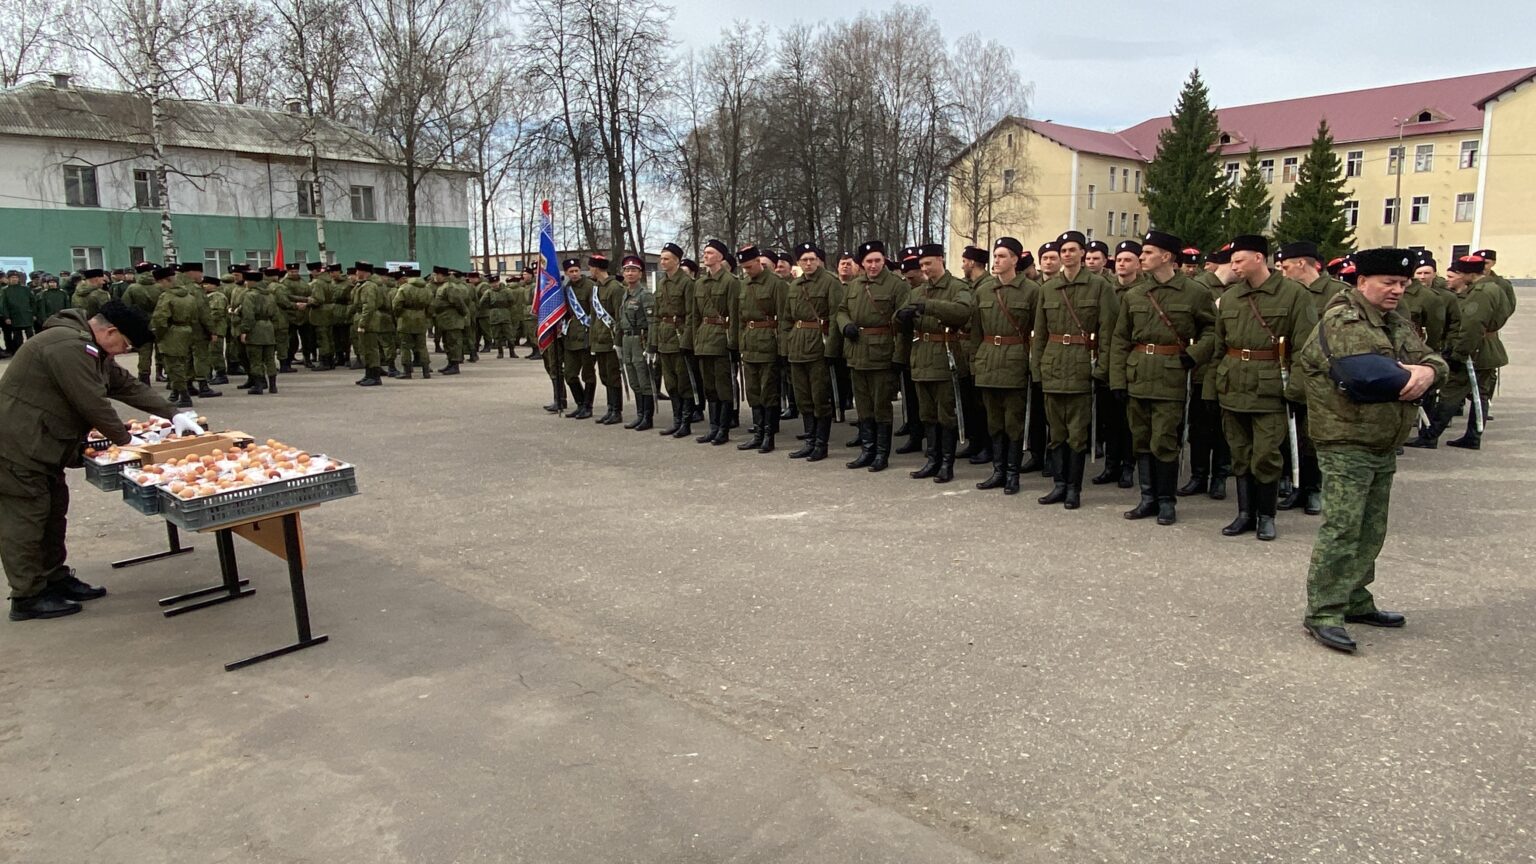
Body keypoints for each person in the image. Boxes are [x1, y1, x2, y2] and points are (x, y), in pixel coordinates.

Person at [1289, 248, 1446, 653]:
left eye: (1403, 284)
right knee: (1343, 528)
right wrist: (1412, 373)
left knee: (1371, 528)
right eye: (1389, 283)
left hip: (1381, 440)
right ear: (1362, 282)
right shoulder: (1345, 318)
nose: (1397, 291)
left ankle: (1356, 598)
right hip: (1346, 439)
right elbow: (1370, 375)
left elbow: (1434, 361)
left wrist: (1426, 370)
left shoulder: (1393, 321)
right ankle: (1323, 610)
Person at [0, 301, 199, 620]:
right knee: (26, 519)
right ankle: (27, 596)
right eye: (126, 345)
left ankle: (54, 579)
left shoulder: (89, 347)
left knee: (51, 513)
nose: (122, 352)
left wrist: (173, 414)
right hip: (17, 446)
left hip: (42, 445)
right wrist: (125, 439)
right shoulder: (67, 346)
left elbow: (126, 385)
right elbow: (91, 401)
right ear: (110, 331)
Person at [1209, 235, 1318, 541]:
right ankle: (1245, 513)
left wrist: (1297, 391)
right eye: (1232, 261)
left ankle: (1266, 516)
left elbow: (1305, 348)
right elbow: (1219, 347)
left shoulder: (1294, 295)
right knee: (1240, 454)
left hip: (1271, 389)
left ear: (1259, 258)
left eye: (1239, 260)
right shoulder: (1229, 298)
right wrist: (1212, 387)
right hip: (1233, 385)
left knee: (1266, 455)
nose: (1234, 266)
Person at [1109, 231, 1217, 525]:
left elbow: (1212, 331)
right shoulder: (1135, 295)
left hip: (1171, 375)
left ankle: (1167, 501)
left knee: (1164, 440)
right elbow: (1120, 339)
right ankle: (1148, 499)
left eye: (1147, 253)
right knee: (1141, 439)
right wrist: (1117, 380)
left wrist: (1195, 355)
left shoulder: (1195, 293)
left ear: (1167, 256)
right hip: (1138, 373)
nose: (1141, 257)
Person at [1030, 231, 1119, 509]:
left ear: (1082, 253)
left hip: (1082, 365)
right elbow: (1040, 333)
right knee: (1056, 432)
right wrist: (1038, 369)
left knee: (1077, 433)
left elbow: (1108, 331)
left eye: (1072, 250)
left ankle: (1074, 489)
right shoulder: (1047, 288)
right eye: (1063, 251)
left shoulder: (1100, 286)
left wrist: (1102, 368)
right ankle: (1059, 484)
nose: (1067, 255)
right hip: (1053, 364)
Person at [1406, 255, 1509, 449]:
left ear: (1470, 273)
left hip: (1475, 352)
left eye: (1460, 273)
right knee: (1481, 395)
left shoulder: (1480, 292)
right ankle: (1473, 435)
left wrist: (1458, 354)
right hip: (1488, 349)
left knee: (1450, 393)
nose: (1458, 277)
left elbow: (1472, 326)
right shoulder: (1495, 288)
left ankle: (1430, 435)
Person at [899, 244, 974, 483]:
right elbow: (902, 314)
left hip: (945, 355)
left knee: (946, 415)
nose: (924, 269)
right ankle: (932, 460)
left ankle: (946, 464)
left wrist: (929, 307)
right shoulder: (917, 290)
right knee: (927, 415)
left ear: (941, 260)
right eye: (921, 265)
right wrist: (901, 317)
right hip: (921, 357)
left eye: (928, 263)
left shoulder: (957, 287)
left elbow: (962, 312)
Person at [971, 237, 1039, 495]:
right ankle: (998, 471)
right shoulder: (983, 291)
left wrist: (1033, 363)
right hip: (988, 360)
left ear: (1015, 259)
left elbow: (1037, 331)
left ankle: (1013, 473)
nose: (996, 261)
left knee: (1013, 421)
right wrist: (976, 362)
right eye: (995, 256)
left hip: (1015, 360)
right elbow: (976, 331)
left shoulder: (1031, 291)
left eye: (1001, 256)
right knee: (994, 421)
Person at [836, 241, 910, 472]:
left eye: (878, 260)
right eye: (869, 261)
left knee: (881, 405)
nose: (874, 265)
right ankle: (867, 450)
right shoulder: (854, 285)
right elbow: (841, 310)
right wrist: (845, 325)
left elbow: (904, 325)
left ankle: (881, 453)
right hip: (857, 352)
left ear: (884, 260)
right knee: (863, 405)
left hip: (882, 353)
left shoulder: (897, 286)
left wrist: (900, 356)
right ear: (862, 263)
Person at [784, 242, 842, 462]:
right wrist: (787, 342)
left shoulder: (830, 282)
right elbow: (787, 318)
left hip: (819, 345)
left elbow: (837, 315)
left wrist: (833, 348)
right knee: (803, 398)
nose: (808, 264)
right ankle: (809, 441)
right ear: (798, 262)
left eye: (812, 259)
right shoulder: (794, 285)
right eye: (804, 260)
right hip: (797, 345)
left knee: (819, 397)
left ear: (819, 260)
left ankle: (821, 444)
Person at [730, 246, 787, 452]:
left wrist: (783, 349)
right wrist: (736, 344)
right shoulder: (743, 285)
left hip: (768, 343)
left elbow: (783, 318)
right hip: (749, 343)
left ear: (758, 262)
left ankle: (769, 436)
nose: (747, 271)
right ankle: (758, 433)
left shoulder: (776, 284)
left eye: (749, 266)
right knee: (753, 391)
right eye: (743, 268)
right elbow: (739, 319)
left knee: (768, 391)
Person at [688, 240, 740, 445]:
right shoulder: (699, 283)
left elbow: (734, 315)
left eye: (710, 253)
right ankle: (713, 427)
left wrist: (734, 344)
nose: (705, 255)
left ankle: (724, 429)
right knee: (709, 387)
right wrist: (694, 340)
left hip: (721, 339)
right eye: (704, 252)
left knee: (723, 387)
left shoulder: (731, 282)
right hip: (703, 340)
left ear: (720, 257)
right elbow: (695, 316)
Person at [149, 265, 216, 409]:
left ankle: (183, 395)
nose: (159, 286)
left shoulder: (166, 297)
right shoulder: (189, 296)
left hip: (171, 332)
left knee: (173, 366)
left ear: (166, 281)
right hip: (187, 330)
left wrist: (158, 335)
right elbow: (197, 314)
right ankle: (175, 393)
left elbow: (160, 319)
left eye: (160, 282)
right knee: (183, 362)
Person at [651, 244, 695, 437]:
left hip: (679, 336)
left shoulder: (686, 283)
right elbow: (656, 315)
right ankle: (676, 420)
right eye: (661, 259)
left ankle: (686, 422)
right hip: (664, 337)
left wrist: (686, 341)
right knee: (670, 383)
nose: (662, 262)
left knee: (683, 382)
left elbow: (692, 314)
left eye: (666, 259)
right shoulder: (662, 284)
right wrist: (653, 342)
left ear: (677, 260)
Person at [586, 255, 626, 425]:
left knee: (613, 375)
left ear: (596, 268)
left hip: (610, 340)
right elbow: (594, 317)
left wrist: (618, 341)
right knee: (604, 376)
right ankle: (610, 409)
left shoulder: (615, 288)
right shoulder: (596, 288)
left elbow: (619, 316)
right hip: (599, 339)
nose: (590, 271)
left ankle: (616, 410)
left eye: (590, 267)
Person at [618, 255, 655, 430]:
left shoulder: (645, 295)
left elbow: (651, 323)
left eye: (634, 270)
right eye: (627, 270)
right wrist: (618, 343)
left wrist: (650, 347)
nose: (630, 273)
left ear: (640, 274)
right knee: (633, 380)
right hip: (627, 341)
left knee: (643, 380)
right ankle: (640, 414)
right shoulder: (625, 294)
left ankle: (647, 417)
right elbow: (620, 321)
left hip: (640, 340)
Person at [392, 268, 434, 379]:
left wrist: (399, 315)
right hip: (421, 318)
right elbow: (431, 307)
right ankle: (426, 371)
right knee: (422, 346)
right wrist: (426, 316)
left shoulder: (404, 288)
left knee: (405, 346)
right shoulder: (427, 289)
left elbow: (396, 305)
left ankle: (407, 371)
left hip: (405, 319)